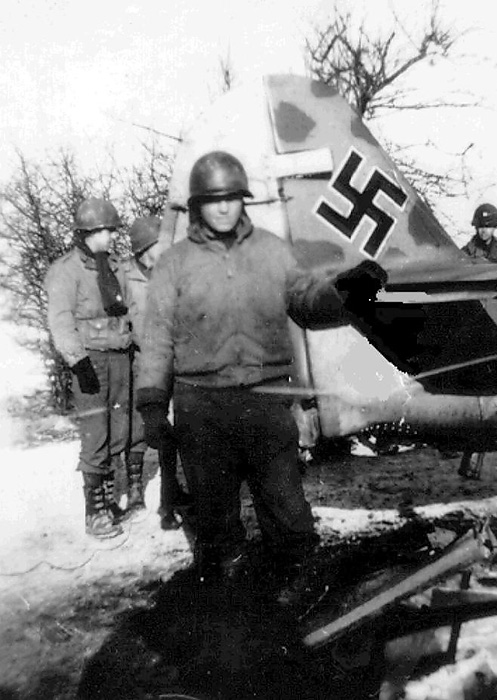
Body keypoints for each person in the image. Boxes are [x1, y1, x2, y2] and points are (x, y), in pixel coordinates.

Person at [135, 150, 387, 598]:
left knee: (288, 513)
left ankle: (300, 607)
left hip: (266, 401)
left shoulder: (273, 251)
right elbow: (157, 339)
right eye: (214, 200)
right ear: (197, 205)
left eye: (232, 197)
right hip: (202, 407)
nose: (224, 207)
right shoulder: (173, 263)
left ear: (243, 199)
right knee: (215, 523)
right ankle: (230, 618)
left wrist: (348, 292)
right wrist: (154, 404)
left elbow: (307, 300)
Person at [45, 197, 133, 539]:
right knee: (96, 434)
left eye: (112, 230)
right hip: (91, 362)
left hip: (119, 356)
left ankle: (108, 501)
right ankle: (94, 513)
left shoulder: (111, 266)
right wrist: (78, 362)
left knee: (118, 433)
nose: (112, 236)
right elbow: (60, 320)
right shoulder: (65, 270)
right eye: (106, 231)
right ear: (89, 233)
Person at [125, 215, 192, 529]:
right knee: (161, 436)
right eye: (157, 246)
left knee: (186, 432)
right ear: (142, 251)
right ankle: (168, 505)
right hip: (149, 365)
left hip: (175, 360)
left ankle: (173, 496)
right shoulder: (127, 279)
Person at [458, 203, 497, 479]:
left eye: (489, 226)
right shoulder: (465, 254)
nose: (485, 230)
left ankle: (477, 457)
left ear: (496, 227)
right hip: (476, 330)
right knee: (479, 398)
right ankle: (470, 461)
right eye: (481, 226)